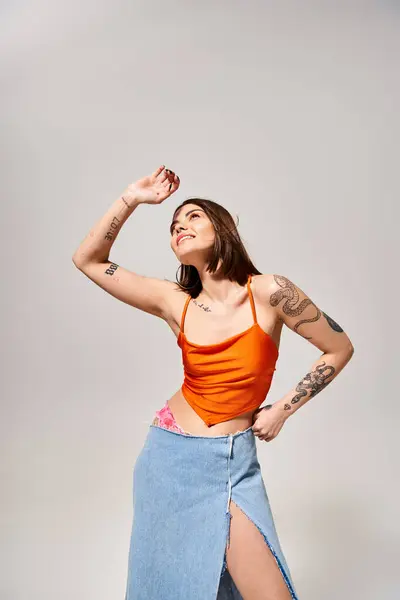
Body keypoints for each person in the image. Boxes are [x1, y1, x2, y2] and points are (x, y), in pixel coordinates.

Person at [72, 165, 354, 599]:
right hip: (171, 460)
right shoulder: (175, 302)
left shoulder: (272, 291)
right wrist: (132, 197)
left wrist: (282, 408)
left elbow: (339, 348)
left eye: (193, 217)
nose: (180, 227)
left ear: (222, 228)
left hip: (234, 463)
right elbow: (87, 260)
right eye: (173, 225)